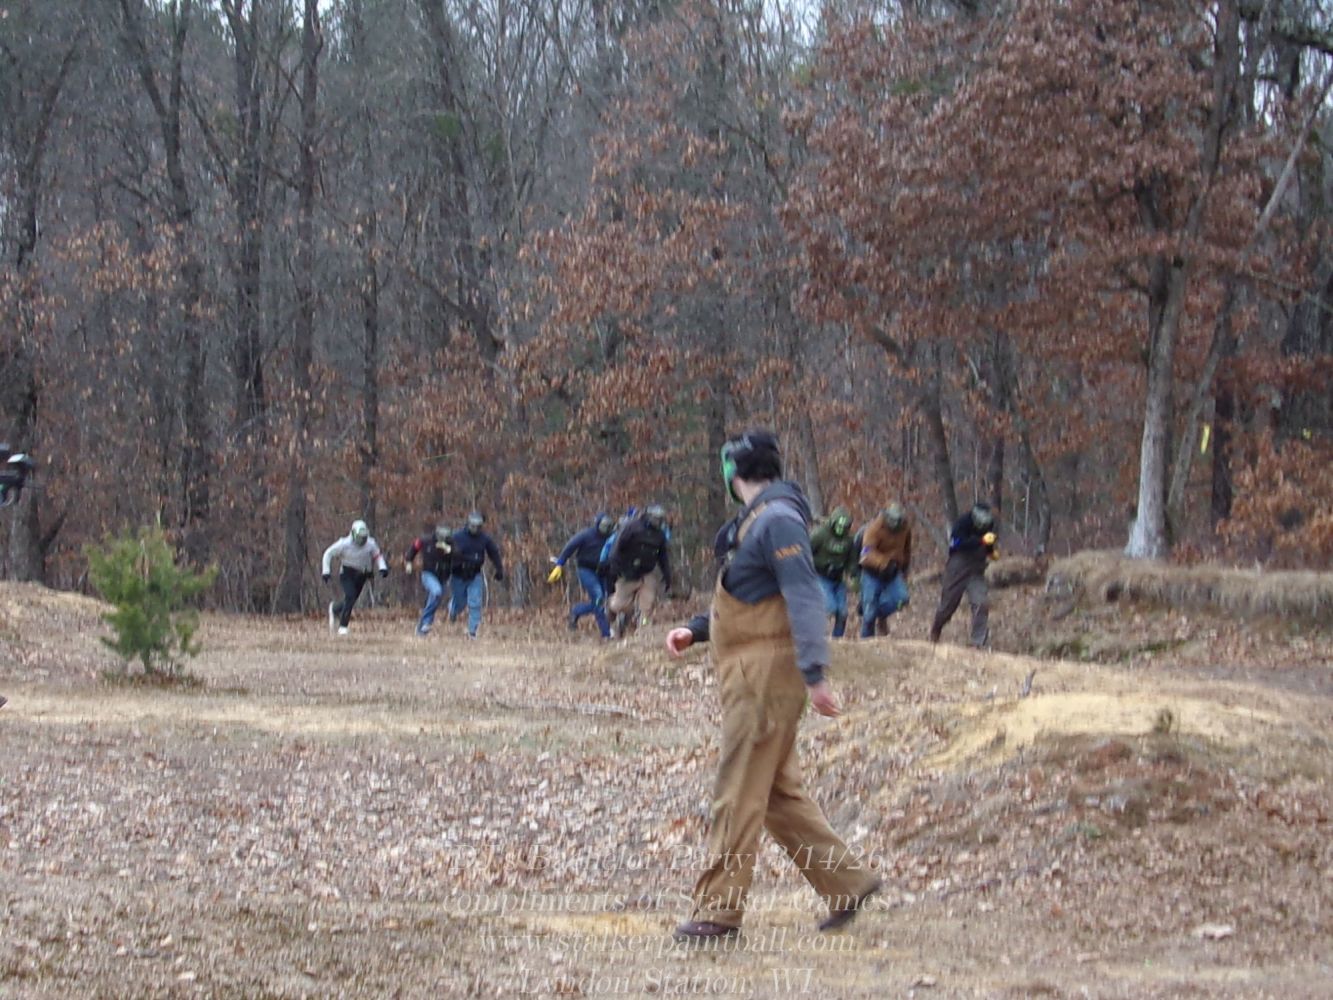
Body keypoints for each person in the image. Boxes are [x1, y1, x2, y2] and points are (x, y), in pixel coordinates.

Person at [665, 429, 880, 942]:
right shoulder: (762, 519)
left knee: (738, 788)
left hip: (764, 677)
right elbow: (756, 594)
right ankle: (847, 883)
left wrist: (815, 672)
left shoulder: (778, 519)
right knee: (778, 795)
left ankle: (717, 912)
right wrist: (697, 629)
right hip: (751, 672)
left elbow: (804, 595)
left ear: (732, 471)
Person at [929, 502, 999, 647]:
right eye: (980, 523)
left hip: (976, 570)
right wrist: (980, 541)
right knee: (948, 605)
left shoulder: (990, 525)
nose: (983, 526)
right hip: (958, 568)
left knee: (981, 603)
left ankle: (978, 641)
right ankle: (936, 628)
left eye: (985, 523)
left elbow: (988, 543)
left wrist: (991, 552)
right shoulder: (962, 523)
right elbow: (956, 544)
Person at [606, 504, 672, 636]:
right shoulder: (632, 528)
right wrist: (615, 569)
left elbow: (663, 556)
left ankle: (643, 631)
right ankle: (610, 607)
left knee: (647, 605)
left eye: (661, 519)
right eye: (657, 519)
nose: (659, 522)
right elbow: (617, 549)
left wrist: (667, 575)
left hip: (647, 572)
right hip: (627, 572)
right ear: (649, 517)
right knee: (621, 605)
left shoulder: (659, 535)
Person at [549, 513, 615, 638]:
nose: (605, 529)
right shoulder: (586, 535)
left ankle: (576, 611)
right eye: (603, 526)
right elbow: (570, 547)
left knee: (603, 601)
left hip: (604, 572)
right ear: (598, 525)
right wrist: (560, 563)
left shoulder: (612, 537)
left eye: (608, 527)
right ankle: (606, 633)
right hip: (586, 570)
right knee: (598, 597)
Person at [322, 519, 388, 635]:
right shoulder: (344, 544)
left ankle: (335, 608)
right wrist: (326, 571)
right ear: (353, 534)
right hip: (347, 573)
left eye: (363, 538)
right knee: (350, 595)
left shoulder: (371, 544)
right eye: (359, 538)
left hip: (362, 575)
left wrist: (383, 568)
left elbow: (377, 556)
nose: (361, 540)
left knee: (350, 600)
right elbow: (328, 553)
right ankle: (343, 626)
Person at [858, 502, 912, 638]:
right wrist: (884, 563)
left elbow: (907, 549)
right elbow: (867, 552)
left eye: (898, 520)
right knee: (869, 614)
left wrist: (904, 569)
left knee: (902, 599)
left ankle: (880, 615)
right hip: (872, 573)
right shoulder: (874, 528)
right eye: (893, 520)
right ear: (887, 517)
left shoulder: (905, 528)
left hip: (893, 572)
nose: (896, 523)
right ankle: (865, 642)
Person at [448, 511, 504, 638]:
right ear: (468, 524)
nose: (475, 529)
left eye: (478, 526)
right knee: (460, 602)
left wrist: (499, 569)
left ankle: (472, 631)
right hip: (458, 575)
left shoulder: (484, 539)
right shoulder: (457, 537)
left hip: (475, 574)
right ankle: (453, 609)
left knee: (475, 602)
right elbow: (445, 552)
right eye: (472, 526)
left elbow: (494, 553)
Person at [809, 506, 858, 638]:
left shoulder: (849, 540)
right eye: (838, 526)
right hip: (821, 576)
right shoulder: (820, 534)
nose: (841, 529)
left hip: (838, 578)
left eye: (844, 527)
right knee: (830, 607)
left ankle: (837, 641)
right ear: (833, 523)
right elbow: (806, 552)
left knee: (843, 613)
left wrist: (853, 574)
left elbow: (852, 559)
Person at [404, 522, 452, 636]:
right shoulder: (425, 541)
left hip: (443, 576)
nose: (443, 540)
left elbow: (459, 554)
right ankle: (427, 622)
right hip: (428, 573)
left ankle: (421, 627)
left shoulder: (451, 543)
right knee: (436, 592)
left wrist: (450, 550)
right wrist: (409, 562)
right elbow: (413, 549)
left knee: (434, 600)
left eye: (446, 538)